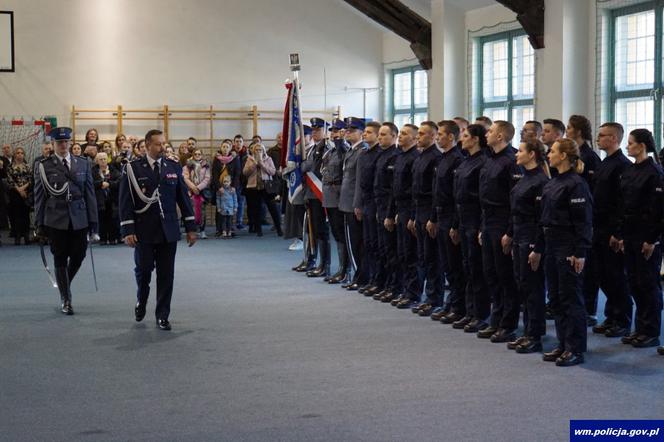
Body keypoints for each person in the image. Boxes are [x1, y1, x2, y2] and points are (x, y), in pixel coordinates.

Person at [118, 129, 197, 330]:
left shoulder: (172, 166)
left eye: (164, 143)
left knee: (166, 274)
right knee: (144, 272)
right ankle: (141, 300)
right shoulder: (133, 169)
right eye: (158, 144)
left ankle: (162, 315)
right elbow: (125, 202)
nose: (162, 147)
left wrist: (190, 227)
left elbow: (183, 198)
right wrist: (128, 230)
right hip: (143, 230)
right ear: (147, 145)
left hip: (168, 229)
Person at [33, 127, 98, 315]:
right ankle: (66, 298)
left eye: (65, 142)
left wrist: (94, 222)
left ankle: (64, 284)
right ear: (52, 144)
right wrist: (39, 224)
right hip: (56, 218)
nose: (63, 145)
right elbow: (40, 196)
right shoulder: (44, 165)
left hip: (79, 216)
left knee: (79, 255)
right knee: (60, 256)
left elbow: (90, 195)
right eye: (59, 142)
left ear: (70, 143)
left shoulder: (83, 163)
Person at [540, 138, 593, 366]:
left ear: (563, 156)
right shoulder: (553, 182)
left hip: (568, 246)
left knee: (571, 299)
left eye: (552, 151)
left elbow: (583, 222)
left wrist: (579, 251)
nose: (548, 154)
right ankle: (563, 344)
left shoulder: (576, 184)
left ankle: (575, 348)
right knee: (556, 298)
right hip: (552, 244)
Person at [618, 129, 663, 350]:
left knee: (648, 284)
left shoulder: (654, 172)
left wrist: (651, 240)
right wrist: (620, 234)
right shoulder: (630, 170)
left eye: (631, 143)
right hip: (630, 233)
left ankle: (651, 331)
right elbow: (624, 204)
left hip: (646, 236)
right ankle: (640, 328)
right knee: (634, 282)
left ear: (642, 146)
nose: (627, 147)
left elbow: (656, 211)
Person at [477, 121, 521, 343]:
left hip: (503, 221)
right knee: (490, 273)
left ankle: (508, 324)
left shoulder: (511, 161)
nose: (487, 134)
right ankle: (496, 319)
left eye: (491, 131)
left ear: (502, 136)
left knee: (505, 276)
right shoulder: (489, 159)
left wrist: (510, 232)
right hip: (488, 221)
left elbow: (515, 200)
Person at [506, 139, 550, 353]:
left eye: (521, 151)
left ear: (532, 154)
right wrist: (511, 234)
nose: (516, 155)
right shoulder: (524, 178)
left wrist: (536, 247)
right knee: (522, 285)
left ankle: (535, 335)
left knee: (533, 288)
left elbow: (541, 219)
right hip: (519, 236)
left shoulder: (540, 181)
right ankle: (527, 331)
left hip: (531, 238)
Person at [589, 123, 632, 338]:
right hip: (598, 226)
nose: (598, 138)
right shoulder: (605, 163)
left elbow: (621, 203)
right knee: (603, 274)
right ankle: (611, 315)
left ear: (614, 138)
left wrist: (618, 232)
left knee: (615, 275)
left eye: (603, 135)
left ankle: (622, 319)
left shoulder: (622, 165)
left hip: (611, 228)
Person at [426, 120, 466, 323]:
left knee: (454, 265)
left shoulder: (458, 160)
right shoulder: (442, 159)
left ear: (451, 136)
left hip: (451, 216)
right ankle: (451, 304)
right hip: (440, 215)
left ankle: (457, 307)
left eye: (441, 134)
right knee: (446, 263)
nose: (438, 137)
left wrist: (455, 224)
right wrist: (433, 218)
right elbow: (436, 192)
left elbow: (457, 196)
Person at [451, 124, 489, 332]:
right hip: (463, 219)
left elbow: (482, 198)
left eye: (465, 136)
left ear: (475, 139)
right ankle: (469, 310)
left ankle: (480, 314)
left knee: (477, 269)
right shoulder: (466, 161)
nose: (462, 139)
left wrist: (480, 227)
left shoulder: (482, 162)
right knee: (466, 267)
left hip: (475, 220)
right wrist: (456, 225)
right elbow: (459, 195)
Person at [567, 115, 601, 327]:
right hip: (569, 219)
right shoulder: (574, 154)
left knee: (587, 269)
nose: (567, 131)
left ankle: (589, 309)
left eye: (570, 128)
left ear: (578, 131)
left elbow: (591, 190)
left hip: (583, 215)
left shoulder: (590, 157)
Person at [408, 121, 443, 316]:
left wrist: (433, 218)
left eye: (422, 134)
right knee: (422, 256)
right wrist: (413, 216)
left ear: (432, 136)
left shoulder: (435, 158)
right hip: (418, 210)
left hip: (430, 211)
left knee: (432, 259)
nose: (418, 137)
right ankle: (426, 296)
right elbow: (415, 189)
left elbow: (435, 192)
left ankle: (434, 298)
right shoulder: (421, 157)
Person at [387, 124, 419, 309]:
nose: (401, 136)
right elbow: (394, 189)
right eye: (401, 133)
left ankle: (413, 293)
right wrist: (393, 213)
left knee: (411, 254)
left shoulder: (415, 158)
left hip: (410, 208)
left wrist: (412, 216)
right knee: (402, 253)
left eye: (405, 134)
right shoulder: (399, 157)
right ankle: (404, 289)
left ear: (414, 138)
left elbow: (415, 190)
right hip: (400, 207)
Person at [371, 122, 399, 300]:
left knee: (392, 251)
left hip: (389, 208)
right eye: (379, 134)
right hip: (379, 207)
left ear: (393, 136)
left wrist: (389, 213)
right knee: (382, 248)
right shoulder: (381, 155)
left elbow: (393, 190)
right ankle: (385, 283)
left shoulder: (395, 156)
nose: (380, 138)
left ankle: (394, 287)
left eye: (383, 135)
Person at [338, 118, 366, 289]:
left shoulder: (362, 152)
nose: (348, 132)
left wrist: (357, 204)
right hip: (346, 202)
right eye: (347, 129)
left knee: (357, 242)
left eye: (352, 130)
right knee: (352, 242)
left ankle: (360, 276)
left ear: (361, 133)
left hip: (352, 204)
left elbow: (359, 183)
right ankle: (358, 275)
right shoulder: (351, 151)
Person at [354, 121, 383, 292]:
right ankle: (371, 279)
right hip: (365, 202)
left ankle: (379, 281)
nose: (365, 135)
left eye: (369, 132)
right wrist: (358, 204)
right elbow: (359, 182)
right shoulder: (363, 154)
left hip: (377, 202)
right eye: (364, 132)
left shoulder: (381, 154)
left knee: (378, 245)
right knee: (368, 243)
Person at [321, 119, 350, 284]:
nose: (334, 134)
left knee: (341, 232)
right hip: (330, 195)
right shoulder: (330, 152)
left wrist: (340, 144)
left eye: (337, 131)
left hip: (339, 195)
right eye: (332, 131)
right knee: (336, 233)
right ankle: (341, 268)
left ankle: (345, 270)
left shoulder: (343, 150)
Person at [242, 142, 282, 237]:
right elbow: (245, 173)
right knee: (256, 209)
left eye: (260, 149)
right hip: (253, 188)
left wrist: (262, 164)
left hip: (267, 187)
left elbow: (272, 172)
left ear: (263, 151)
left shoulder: (268, 159)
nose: (258, 151)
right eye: (256, 149)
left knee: (273, 208)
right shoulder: (250, 159)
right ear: (253, 151)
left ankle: (279, 229)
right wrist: (255, 164)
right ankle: (258, 230)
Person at [211, 140, 242, 237]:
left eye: (227, 147)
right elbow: (214, 174)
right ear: (221, 148)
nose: (225, 149)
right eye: (223, 147)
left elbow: (237, 174)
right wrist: (219, 187)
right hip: (220, 187)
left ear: (230, 148)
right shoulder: (217, 159)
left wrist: (234, 186)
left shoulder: (235, 158)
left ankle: (230, 229)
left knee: (230, 208)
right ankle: (219, 229)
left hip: (231, 187)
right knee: (219, 208)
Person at [92, 152, 121, 245]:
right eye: (101, 159)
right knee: (102, 219)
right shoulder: (93, 170)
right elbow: (90, 183)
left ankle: (113, 238)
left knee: (112, 219)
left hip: (112, 199)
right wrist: (100, 183)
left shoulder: (113, 169)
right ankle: (103, 238)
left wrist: (109, 184)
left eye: (105, 158)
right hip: (99, 199)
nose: (103, 161)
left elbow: (120, 181)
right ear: (97, 161)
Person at [6, 147, 33, 245]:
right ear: (14, 155)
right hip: (15, 194)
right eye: (18, 153)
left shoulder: (28, 166)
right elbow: (10, 181)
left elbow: (31, 179)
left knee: (26, 216)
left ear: (24, 155)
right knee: (17, 216)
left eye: (22, 153)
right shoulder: (10, 167)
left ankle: (26, 236)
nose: (20, 154)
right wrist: (19, 189)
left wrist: (23, 188)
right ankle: (17, 237)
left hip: (26, 194)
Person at [183, 148, 211, 239]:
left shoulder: (206, 166)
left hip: (201, 192)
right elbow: (185, 178)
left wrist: (198, 188)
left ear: (202, 155)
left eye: (199, 154)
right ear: (193, 155)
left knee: (202, 211)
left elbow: (207, 178)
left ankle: (202, 230)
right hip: (191, 191)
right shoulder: (187, 165)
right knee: (191, 211)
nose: (197, 156)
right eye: (196, 154)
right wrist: (193, 187)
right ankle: (192, 230)